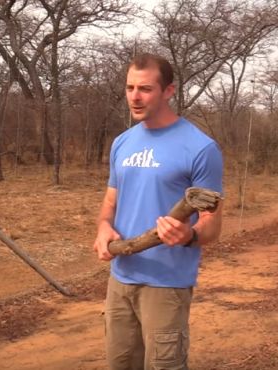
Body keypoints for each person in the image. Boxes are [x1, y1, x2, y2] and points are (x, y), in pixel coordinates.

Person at [92, 53, 223, 370]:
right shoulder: (122, 143)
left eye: (146, 89)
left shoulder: (201, 148)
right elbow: (111, 202)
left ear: (168, 91)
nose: (134, 97)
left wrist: (189, 235)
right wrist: (103, 228)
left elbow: (213, 225)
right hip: (120, 279)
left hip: (166, 286)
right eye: (129, 87)